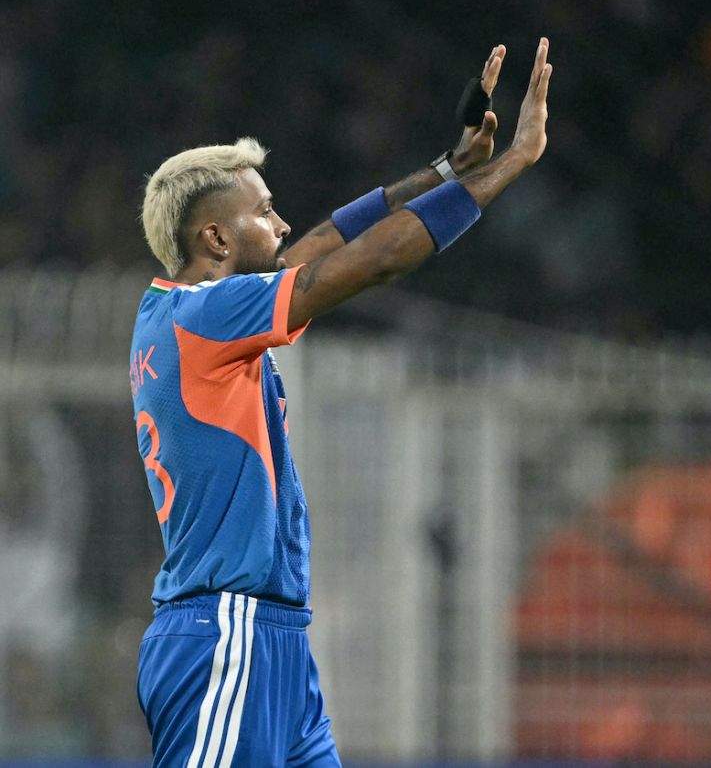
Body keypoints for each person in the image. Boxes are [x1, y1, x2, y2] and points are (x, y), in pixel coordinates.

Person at [129, 39, 552, 766]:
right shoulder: (208, 316)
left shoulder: (190, 311)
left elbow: (326, 238)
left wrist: (449, 169)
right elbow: (376, 258)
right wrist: (512, 164)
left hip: (273, 639)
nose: (283, 223)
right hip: (229, 633)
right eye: (265, 211)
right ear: (216, 237)